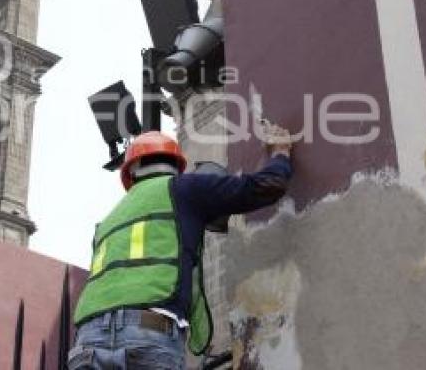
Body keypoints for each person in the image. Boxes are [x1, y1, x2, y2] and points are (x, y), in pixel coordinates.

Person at [69, 124, 294, 369]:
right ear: (176, 166)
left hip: (87, 341)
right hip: (148, 333)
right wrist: (280, 153)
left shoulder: (107, 222)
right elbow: (267, 185)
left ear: (130, 173)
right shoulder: (184, 189)